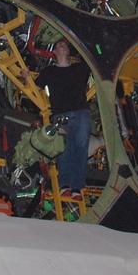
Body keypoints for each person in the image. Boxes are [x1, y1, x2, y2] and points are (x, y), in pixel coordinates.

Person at [35, 40, 91, 195]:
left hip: (81, 112)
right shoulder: (49, 71)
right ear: (54, 52)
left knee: (80, 148)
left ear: (69, 51)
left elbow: (92, 59)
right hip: (60, 114)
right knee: (64, 149)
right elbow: (35, 87)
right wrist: (26, 77)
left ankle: (77, 186)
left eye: (65, 45)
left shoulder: (80, 68)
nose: (63, 46)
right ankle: (65, 185)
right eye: (59, 45)